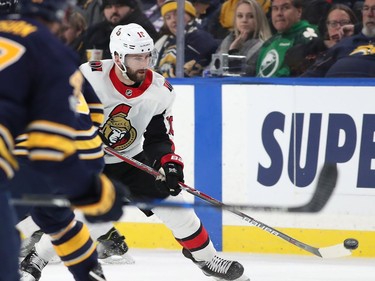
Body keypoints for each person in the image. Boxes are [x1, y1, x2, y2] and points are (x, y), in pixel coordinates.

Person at [79, 23, 250, 281]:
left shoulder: (161, 90)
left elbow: (158, 137)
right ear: (117, 57)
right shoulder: (89, 77)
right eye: (137, 57)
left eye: (147, 56)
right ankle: (33, 263)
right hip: (87, 161)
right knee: (78, 219)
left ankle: (206, 259)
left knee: (176, 206)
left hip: (132, 160)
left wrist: (168, 164)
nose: (144, 63)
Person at [0, 1, 128, 281]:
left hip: (23, 155)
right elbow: (51, 148)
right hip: (50, 155)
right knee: (51, 215)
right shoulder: (53, 52)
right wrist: (91, 190)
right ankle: (89, 273)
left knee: (48, 212)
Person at [301, 0, 375, 77]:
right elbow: (312, 74)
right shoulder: (343, 45)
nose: (369, 14)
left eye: (374, 9)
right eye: (366, 8)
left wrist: (356, 28)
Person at [285, 3, 358, 75]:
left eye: (344, 22)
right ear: (327, 27)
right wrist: (325, 44)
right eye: (333, 23)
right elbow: (290, 56)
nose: (339, 27)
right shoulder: (320, 47)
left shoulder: (361, 47)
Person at [255, 0, 319, 77]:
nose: (279, 13)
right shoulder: (269, 43)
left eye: (285, 8)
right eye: (275, 8)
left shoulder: (307, 35)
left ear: (299, 12)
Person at [80, 0, 159, 62]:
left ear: (131, 8)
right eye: (109, 6)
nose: (114, 10)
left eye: (119, 6)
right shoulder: (95, 31)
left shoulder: (142, 29)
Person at [155, 0, 218, 77]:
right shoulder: (165, 41)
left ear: (190, 16)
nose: (173, 20)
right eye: (168, 18)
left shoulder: (200, 37)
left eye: (177, 14)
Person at [208, 0, 272, 76]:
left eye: (251, 16)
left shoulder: (264, 45)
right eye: (240, 16)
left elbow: (247, 72)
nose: (244, 20)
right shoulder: (228, 40)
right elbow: (213, 69)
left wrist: (233, 51)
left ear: (259, 19)